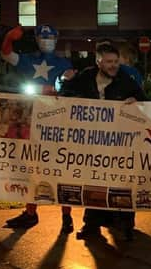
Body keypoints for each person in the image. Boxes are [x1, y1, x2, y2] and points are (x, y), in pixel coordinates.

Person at [60, 43, 145, 241]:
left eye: (116, 61)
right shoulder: (86, 77)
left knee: (121, 183)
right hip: (92, 144)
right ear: (98, 61)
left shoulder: (126, 80)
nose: (113, 65)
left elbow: (143, 99)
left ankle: (125, 225)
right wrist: (65, 82)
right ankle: (92, 224)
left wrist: (136, 101)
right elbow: (65, 95)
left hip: (119, 144)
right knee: (94, 182)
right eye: (108, 62)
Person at [0, 24, 76, 233]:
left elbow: (71, 84)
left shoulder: (63, 62)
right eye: (43, 37)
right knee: (31, 167)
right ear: (36, 39)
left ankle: (67, 216)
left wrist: (66, 82)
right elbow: (7, 55)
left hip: (57, 122)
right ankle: (30, 212)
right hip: (31, 119)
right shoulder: (28, 60)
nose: (46, 41)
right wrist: (8, 38)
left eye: (50, 37)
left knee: (61, 168)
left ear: (56, 38)